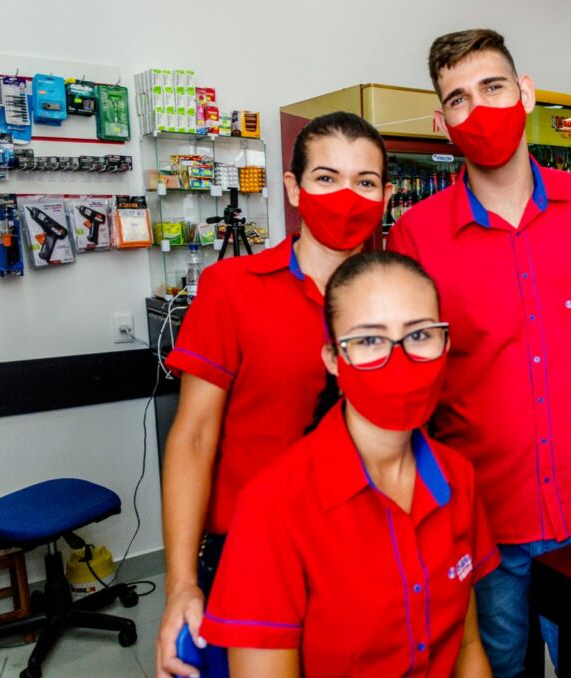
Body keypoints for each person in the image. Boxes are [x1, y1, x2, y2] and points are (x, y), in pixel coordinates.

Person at [388, 28, 571, 676]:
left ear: (525, 93)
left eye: (492, 88)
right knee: (501, 665)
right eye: (458, 99)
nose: (478, 110)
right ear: (441, 122)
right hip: (482, 521)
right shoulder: (415, 236)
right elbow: (405, 382)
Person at [156, 112, 393, 678]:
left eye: (364, 182)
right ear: (293, 188)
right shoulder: (232, 289)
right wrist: (182, 583)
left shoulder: (398, 297)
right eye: (326, 178)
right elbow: (192, 438)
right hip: (249, 559)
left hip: (366, 554)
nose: (346, 196)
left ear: (385, 195)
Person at [199, 251, 498, 677]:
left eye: (419, 335)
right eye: (369, 340)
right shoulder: (272, 507)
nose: (399, 359)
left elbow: (468, 648)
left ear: (446, 342)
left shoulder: (456, 477)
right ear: (333, 360)